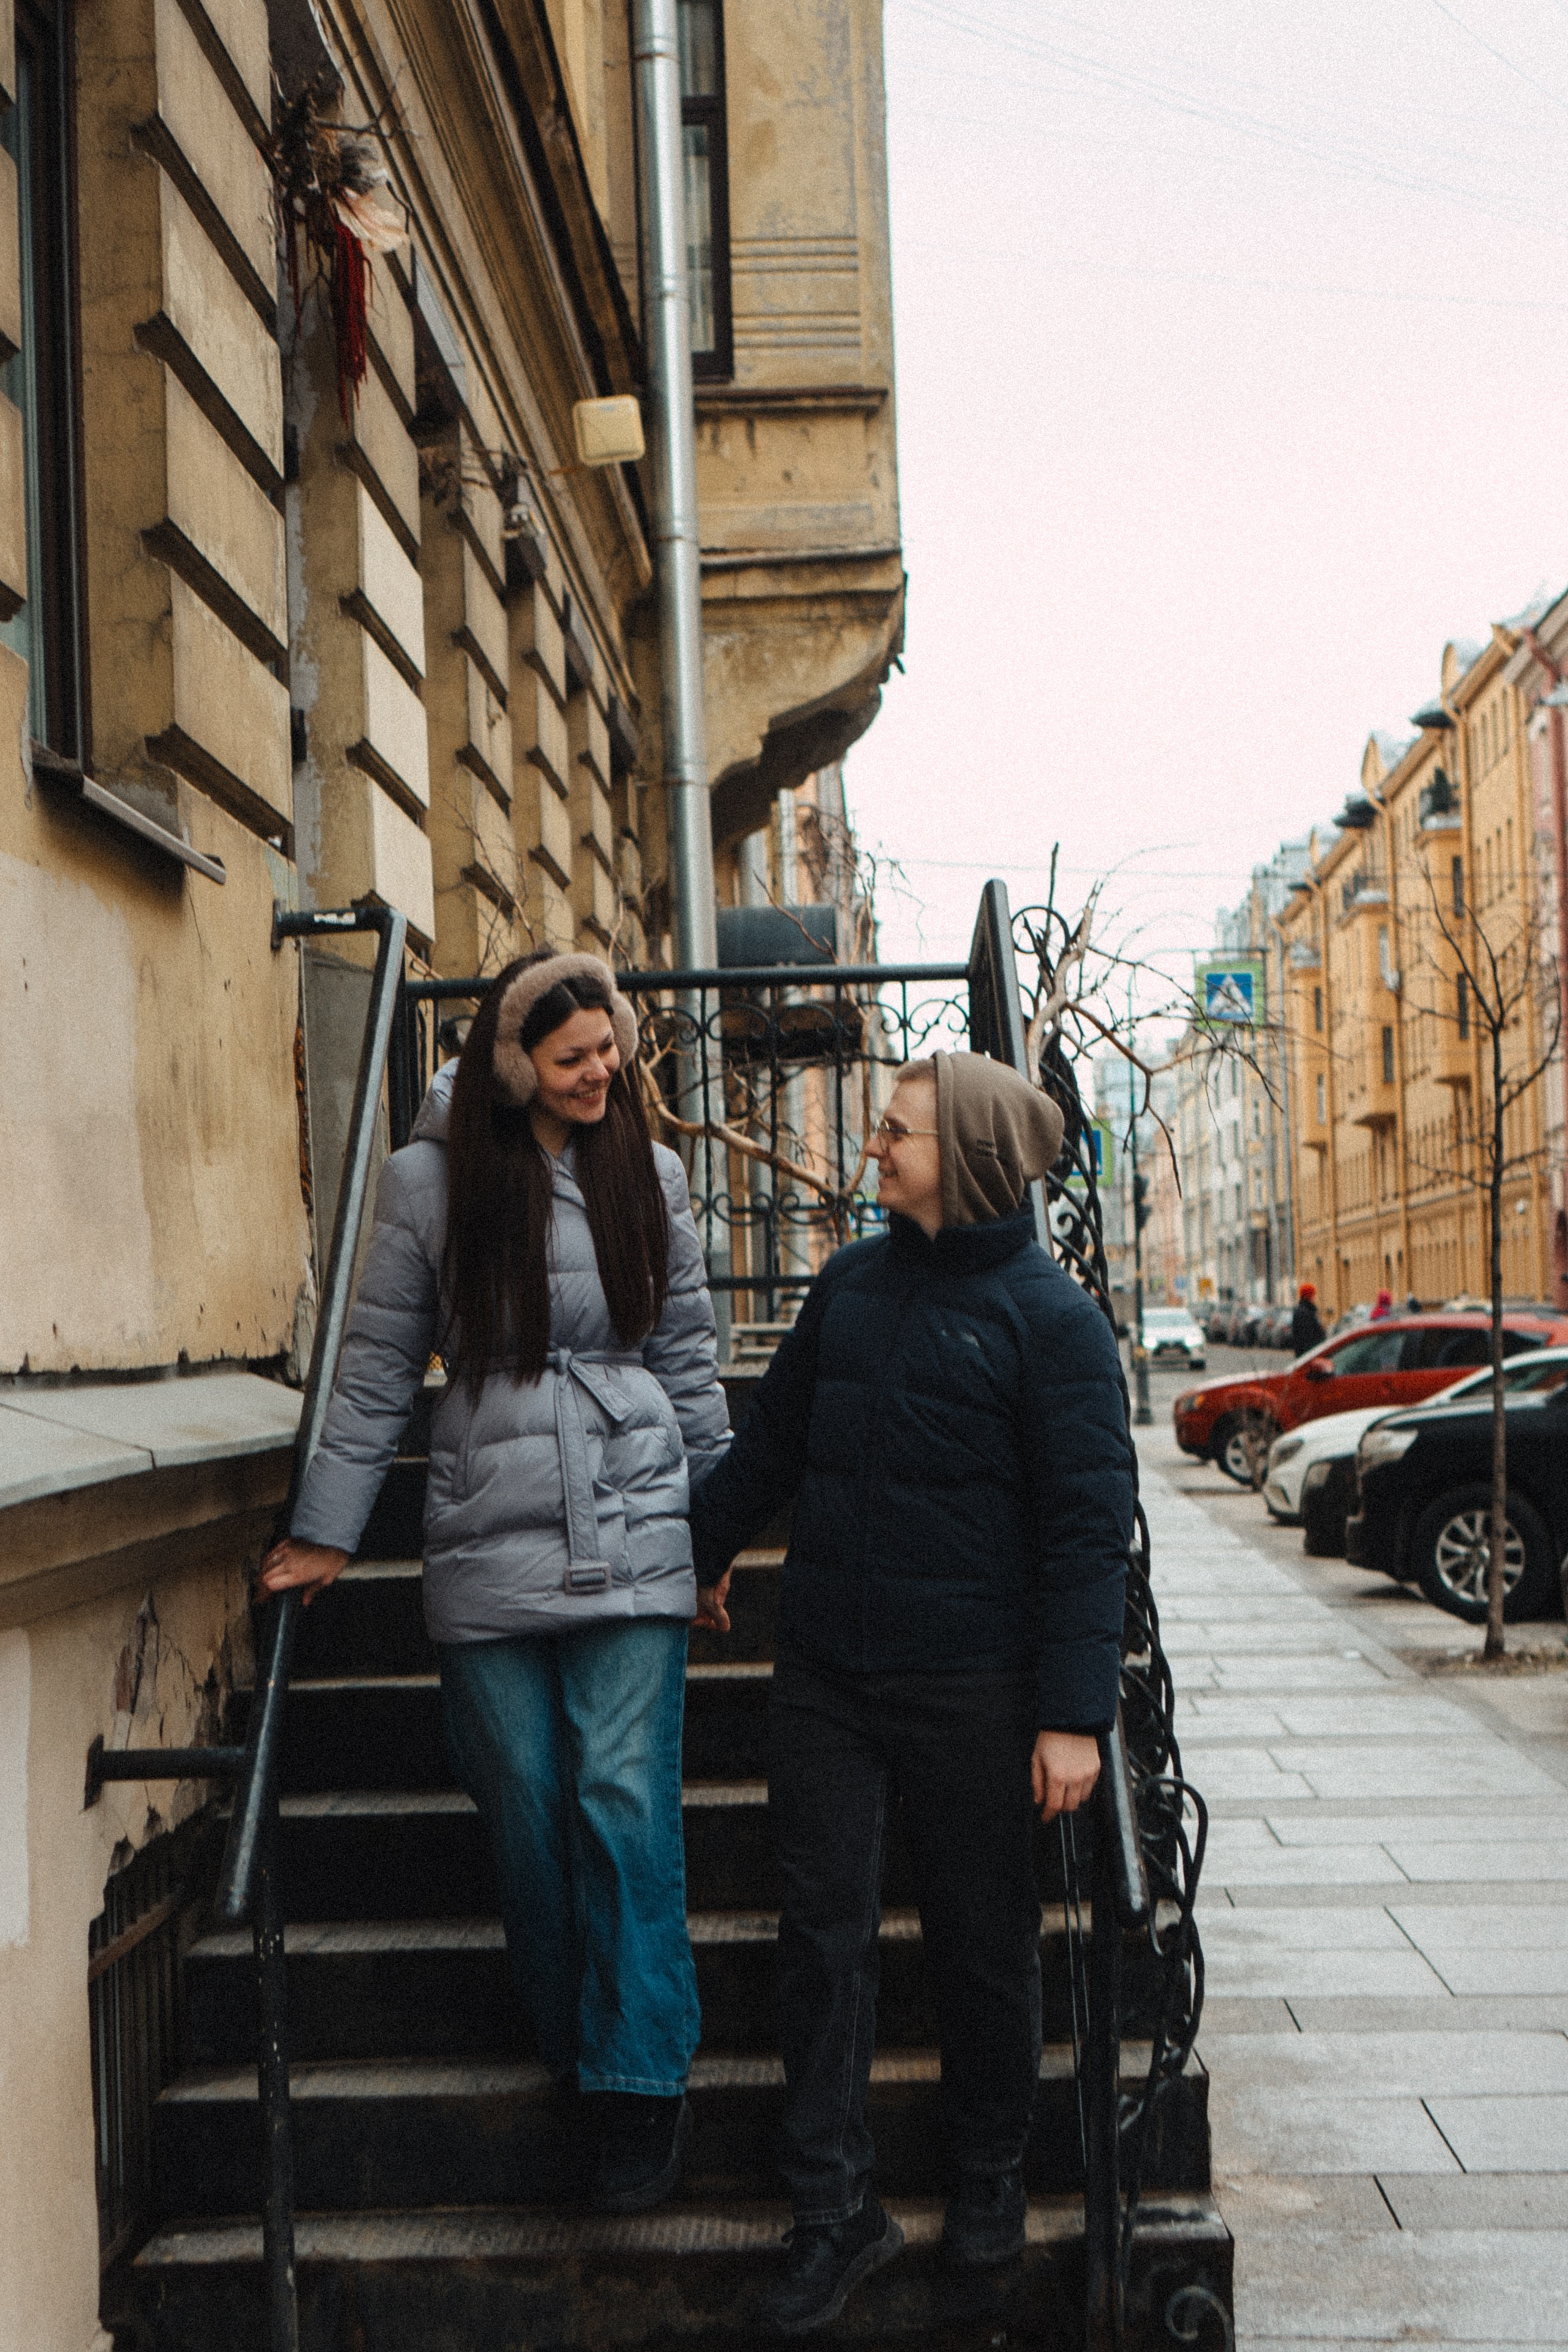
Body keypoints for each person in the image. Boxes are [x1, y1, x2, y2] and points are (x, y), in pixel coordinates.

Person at [258, 950, 730, 2212]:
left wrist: (718, 1534)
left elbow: (689, 1362)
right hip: (482, 1526)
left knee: (619, 1796)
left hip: (630, 1519)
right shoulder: (428, 1183)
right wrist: (330, 1530)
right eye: (574, 1056)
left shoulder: (654, 1171)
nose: (603, 1072)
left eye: (610, 1050)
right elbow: (370, 1368)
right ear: (514, 1063)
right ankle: (580, 2036)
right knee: (525, 1803)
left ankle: (635, 2082)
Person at [689, 1052, 1134, 2335]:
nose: (871, 1148)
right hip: (827, 1672)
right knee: (819, 1942)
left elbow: (1083, 1527)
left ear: (970, 1159)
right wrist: (702, 1546)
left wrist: (1070, 1713)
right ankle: (833, 2212)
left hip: (977, 1688)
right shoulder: (849, 1284)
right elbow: (770, 1440)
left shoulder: (1050, 1324)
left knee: (982, 1946)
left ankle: (986, 2184)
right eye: (878, 1126)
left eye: (896, 1132)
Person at [1290, 1281, 1325, 1357]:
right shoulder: (1304, 1313)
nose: (1314, 1298)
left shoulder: (1307, 1311)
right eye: (1313, 1295)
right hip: (1309, 1355)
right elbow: (1306, 1337)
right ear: (1308, 1296)